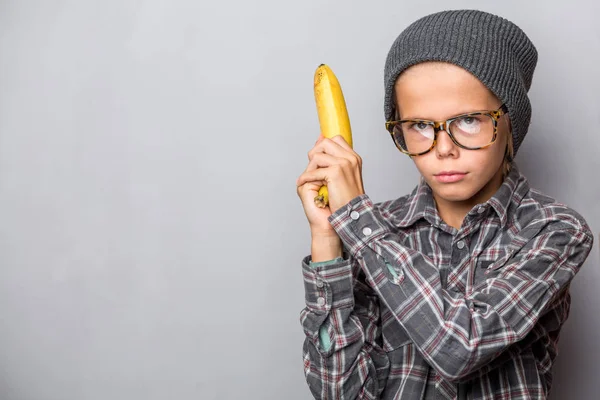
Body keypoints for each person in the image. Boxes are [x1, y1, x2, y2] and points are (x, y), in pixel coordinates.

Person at [295, 9, 594, 400]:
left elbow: (459, 348)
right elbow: (342, 393)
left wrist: (357, 220)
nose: (444, 149)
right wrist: (328, 241)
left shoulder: (554, 230)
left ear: (510, 122)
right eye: (420, 126)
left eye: (469, 120)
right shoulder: (373, 229)